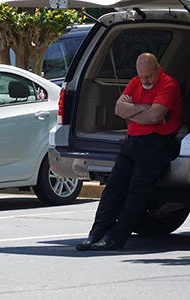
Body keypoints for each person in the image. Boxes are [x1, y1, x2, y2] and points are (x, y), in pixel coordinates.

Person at [76, 52, 181, 251]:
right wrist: (144, 108)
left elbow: (155, 116)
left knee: (137, 192)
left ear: (158, 69)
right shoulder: (135, 82)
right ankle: (96, 233)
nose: (144, 81)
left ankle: (115, 238)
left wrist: (133, 110)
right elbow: (118, 109)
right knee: (113, 188)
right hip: (132, 142)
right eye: (141, 76)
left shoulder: (169, 84)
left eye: (148, 76)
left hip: (156, 144)